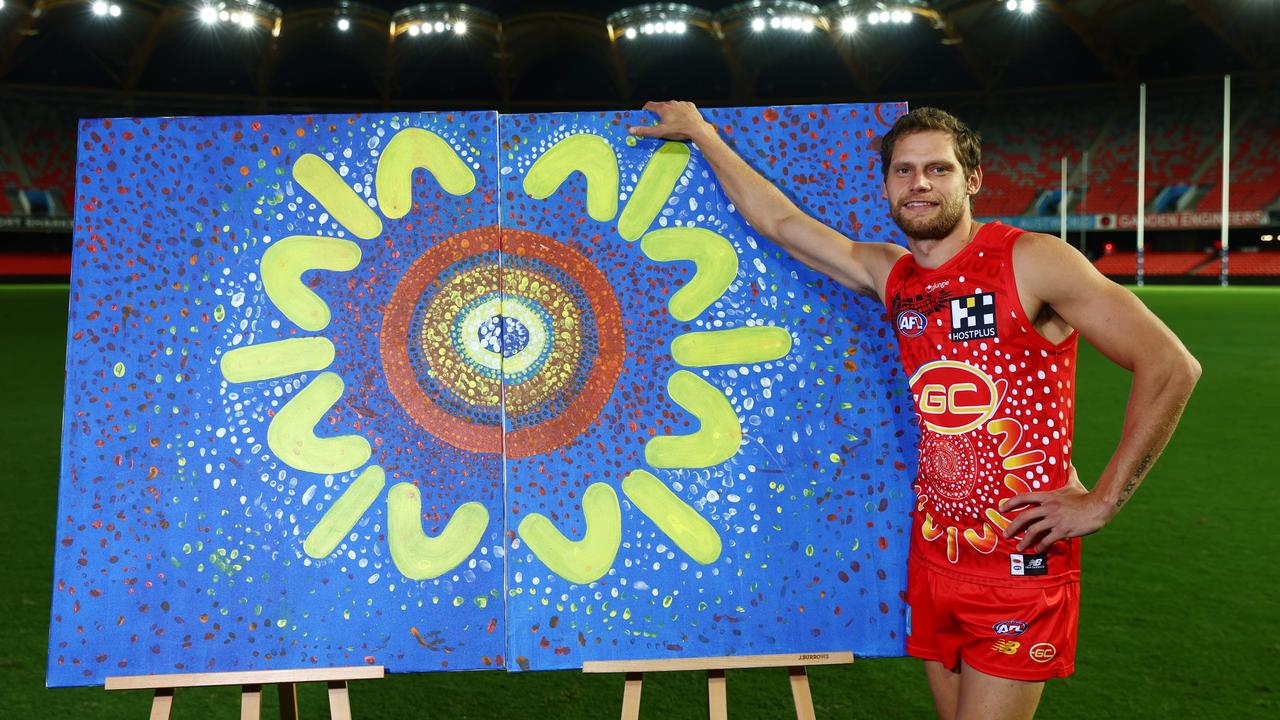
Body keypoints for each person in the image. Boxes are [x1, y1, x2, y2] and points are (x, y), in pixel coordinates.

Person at [629, 102, 1200, 720]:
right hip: (936, 552)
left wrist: (1106, 498)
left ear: (971, 179)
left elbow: (1171, 365)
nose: (919, 183)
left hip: (1018, 558)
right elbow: (782, 221)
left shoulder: (1032, 259)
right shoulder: (891, 273)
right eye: (903, 171)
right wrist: (703, 135)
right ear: (886, 185)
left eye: (938, 169)